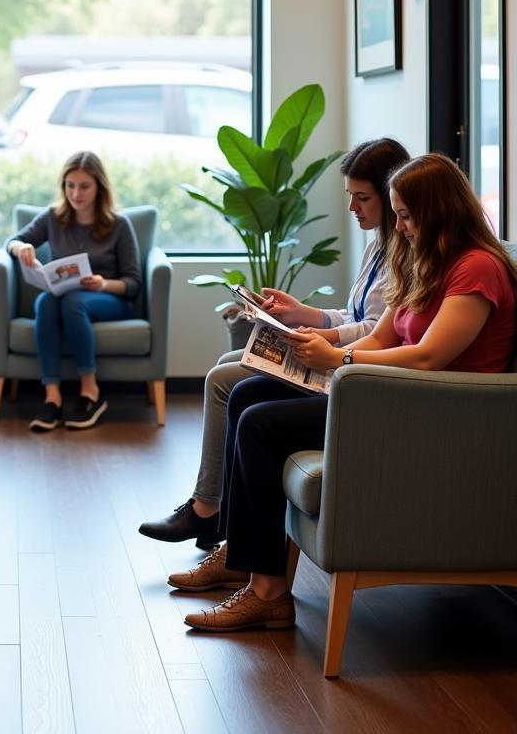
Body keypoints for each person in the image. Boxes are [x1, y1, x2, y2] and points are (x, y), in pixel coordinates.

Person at [168, 153, 517, 632]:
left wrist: (339, 360)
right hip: (389, 397)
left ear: (440, 211)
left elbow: (428, 357)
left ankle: (268, 593)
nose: (399, 226)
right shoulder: (426, 260)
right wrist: (325, 352)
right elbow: (380, 339)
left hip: (435, 416)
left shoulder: (477, 269)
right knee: (248, 396)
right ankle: (244, 563)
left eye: (407, 215)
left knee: (259, 423)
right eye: (397, 213)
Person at [139, 137, 411, 548]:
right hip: (341, 353)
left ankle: (208, 509)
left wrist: (321, 337)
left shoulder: (406, 256)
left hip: (352, 367)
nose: (353, 208)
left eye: (362, 198)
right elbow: (358, 317)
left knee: (223, 379)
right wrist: (302, 313)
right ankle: (214, 512)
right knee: (230, 363)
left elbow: (376, 331)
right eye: (350, 197)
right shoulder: (377, 248)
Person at [6, 150, 142, 432]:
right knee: (46, 302)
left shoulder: (118, 225)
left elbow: (133, 283)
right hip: (67, 298)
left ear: (99, 187)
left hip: (110, 300)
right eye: (70, 185)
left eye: (84, 186)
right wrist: (23, 248)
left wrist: (102, 283)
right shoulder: (54, 218)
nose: (76, 194)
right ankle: (52, 398)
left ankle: (90, 392)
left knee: (71, 302)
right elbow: (14, 241)